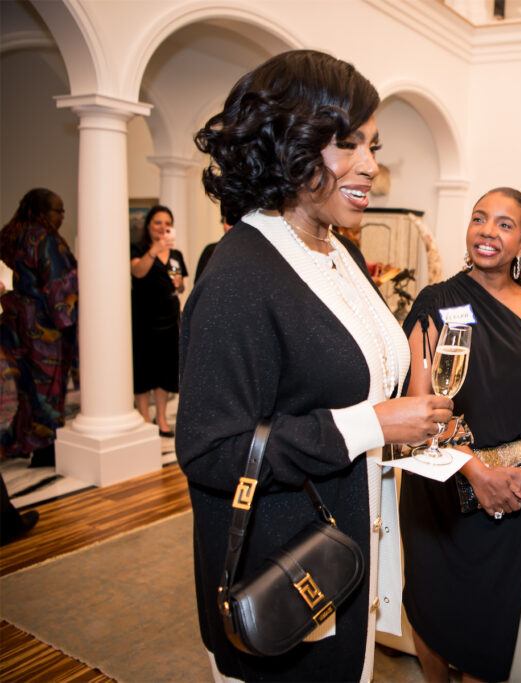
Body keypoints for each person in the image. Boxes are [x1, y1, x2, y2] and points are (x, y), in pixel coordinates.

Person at [178, 50, 452, 682]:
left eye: (374, 146)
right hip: (283, 576)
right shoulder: (239, 274)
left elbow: (336, 372)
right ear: (289, 144)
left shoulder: (335, 249)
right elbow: (210, 450)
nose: (371, 167)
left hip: (342, 555)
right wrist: (372, 424)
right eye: (346, 144)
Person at [400, 187, 521, 683]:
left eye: (504, 224)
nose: (488, 231)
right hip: (441, 486)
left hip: (510, 494)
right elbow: (419, 404)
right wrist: (475, 473)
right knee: (430, 606)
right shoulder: (435, 301)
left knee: (489, 624)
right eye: (479, 218)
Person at [0, 188, 78, 467]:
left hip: (11, 326)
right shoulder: (44, 239)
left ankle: (20, 441)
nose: (62, 216)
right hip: (43, 331)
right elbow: (59, 287)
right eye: (59, 210)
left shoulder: (8, 236)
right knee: (48, 387)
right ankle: (45, 448)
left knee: (23, 389)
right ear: (44, 213)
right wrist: (72, 325)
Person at [130, 204, 186, 437]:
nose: (163, 227)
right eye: (158, 223)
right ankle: (144, 417)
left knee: (165, 371)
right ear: (149, 226)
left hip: (169, 319)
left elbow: (180, 286)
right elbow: (138, 272)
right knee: (144, 371)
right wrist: (154, 250)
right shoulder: (138, 248)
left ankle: (161, 417)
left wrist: (177, 280)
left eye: (167, 224)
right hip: (143, 318)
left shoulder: (175, 255)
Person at [194, 212, 234, 282]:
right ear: (223, 223)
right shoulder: (211, 251)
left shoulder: (249, 251)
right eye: (229, 222)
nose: (232, 227)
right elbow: (199, 283)